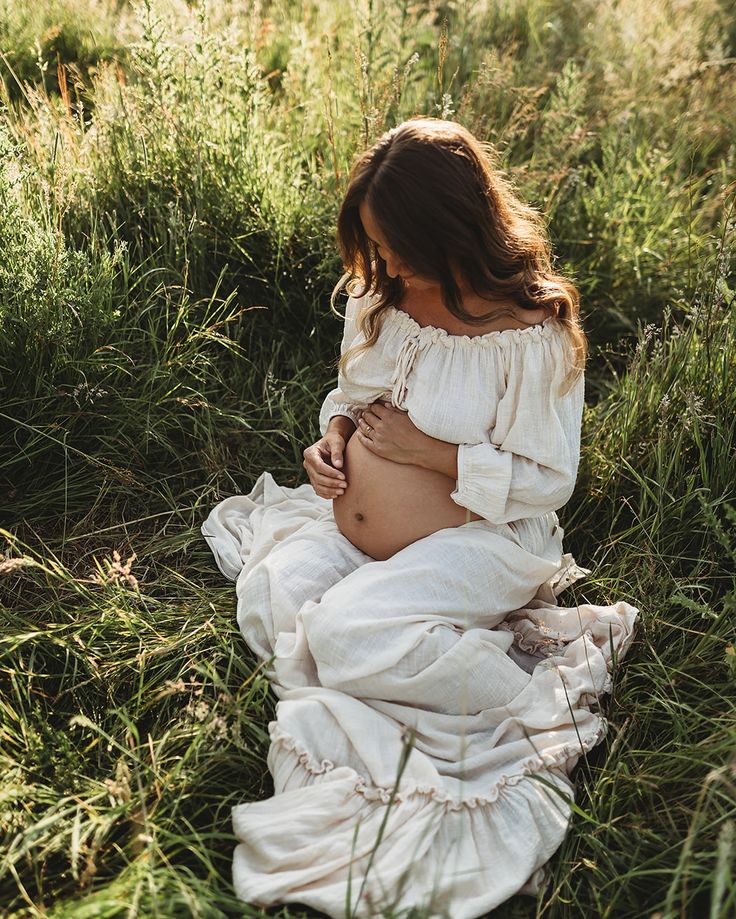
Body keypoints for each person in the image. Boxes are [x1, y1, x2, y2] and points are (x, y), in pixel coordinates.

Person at [201, 117, 639, 918]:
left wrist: (431, 452)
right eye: (375, 242)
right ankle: (410, 649)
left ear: (450, 229)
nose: (384, 262)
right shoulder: (380, 294)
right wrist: (329, 442)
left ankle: (513, 684)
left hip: (486, 538)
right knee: (279, 593)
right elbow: (351, 396)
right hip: (353, 526)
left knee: (334, 635)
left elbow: (550, 482)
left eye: (396, 244)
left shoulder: (530, 333)